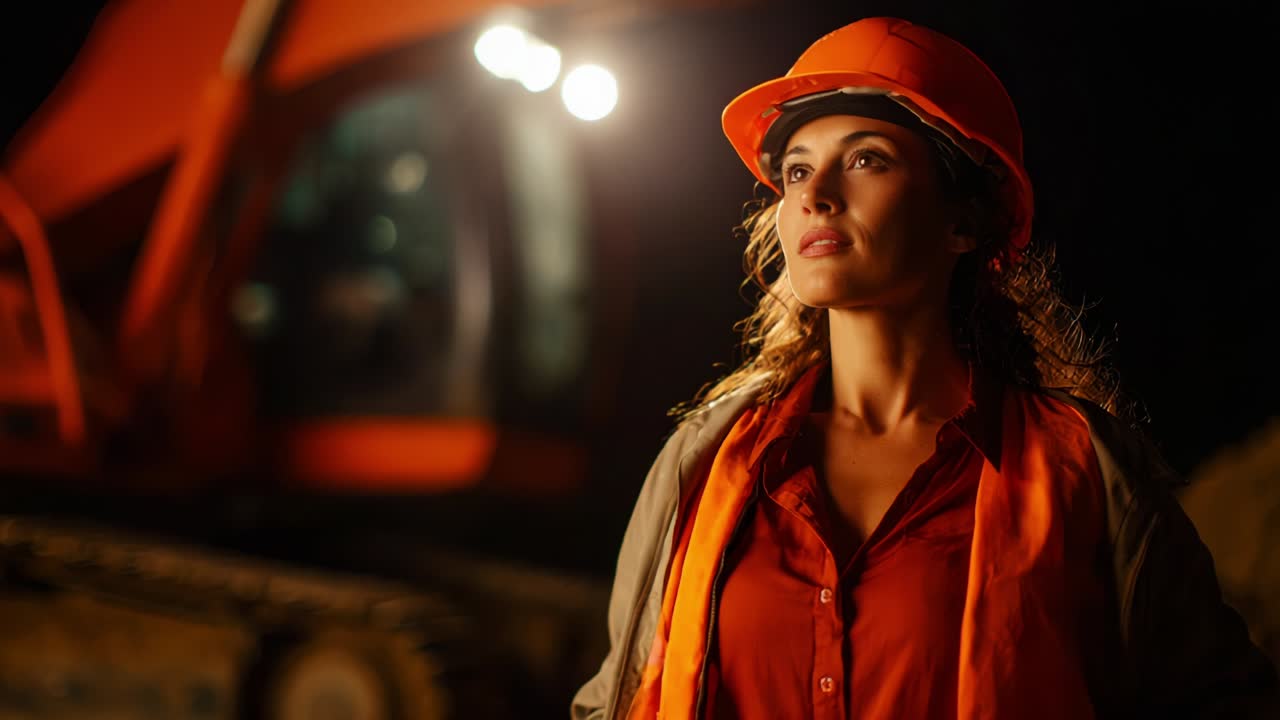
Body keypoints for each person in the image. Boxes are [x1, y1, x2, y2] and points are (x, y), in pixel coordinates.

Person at [572, 16, 1279, 720]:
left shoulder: (1084, 473)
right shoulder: (707, 462)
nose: (815, 195)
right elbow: (617, 701)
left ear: (963, 222)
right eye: (797, 170)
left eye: (866, 159)